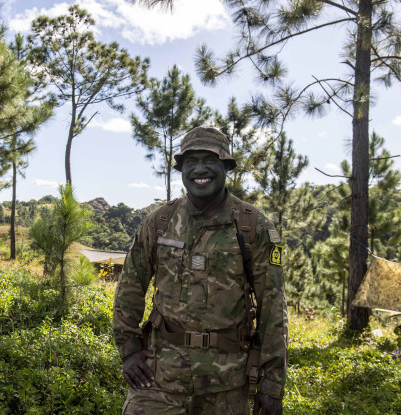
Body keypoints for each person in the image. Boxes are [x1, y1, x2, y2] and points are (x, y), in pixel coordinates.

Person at [113, 126, 288, 415]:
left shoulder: (252, 226)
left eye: (210, 160)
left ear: (226, 166)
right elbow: (130, 287)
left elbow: (274, 309)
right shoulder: (159, 221)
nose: (200, 169)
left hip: (227, 385)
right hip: (158, 380)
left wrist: (272, 386)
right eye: (191, 162)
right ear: (181, 168)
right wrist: (129, 350)